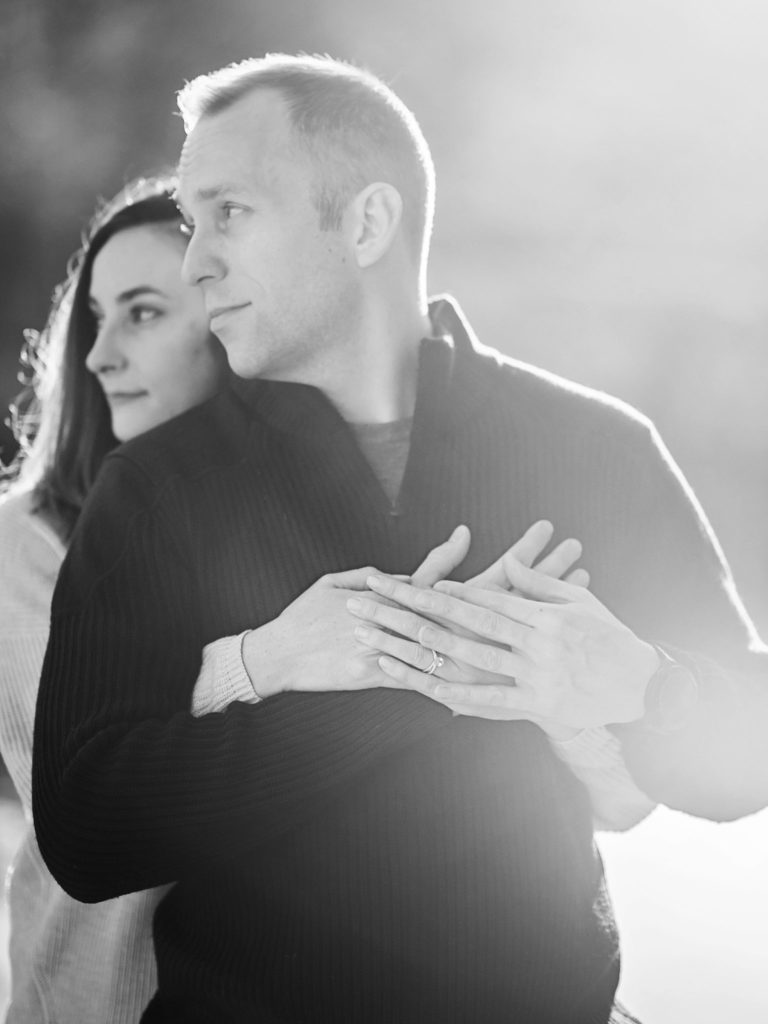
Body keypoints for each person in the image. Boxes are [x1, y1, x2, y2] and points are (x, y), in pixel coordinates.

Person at [31, 54, 766, 1023]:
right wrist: (396, 683)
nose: (197, 257)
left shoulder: (597, 447)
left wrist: (628, 680)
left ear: (368, 223)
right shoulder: (156, 489)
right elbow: (85, 829)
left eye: (232, 213)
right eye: (191, 221)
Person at [0, 175, 232, 1022]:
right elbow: (109, 772)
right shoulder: (20, 546)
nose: (98, 355)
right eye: (96, 318)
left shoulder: (296, 525)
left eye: (142, 312)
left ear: (235, 318)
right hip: (80, 1004)